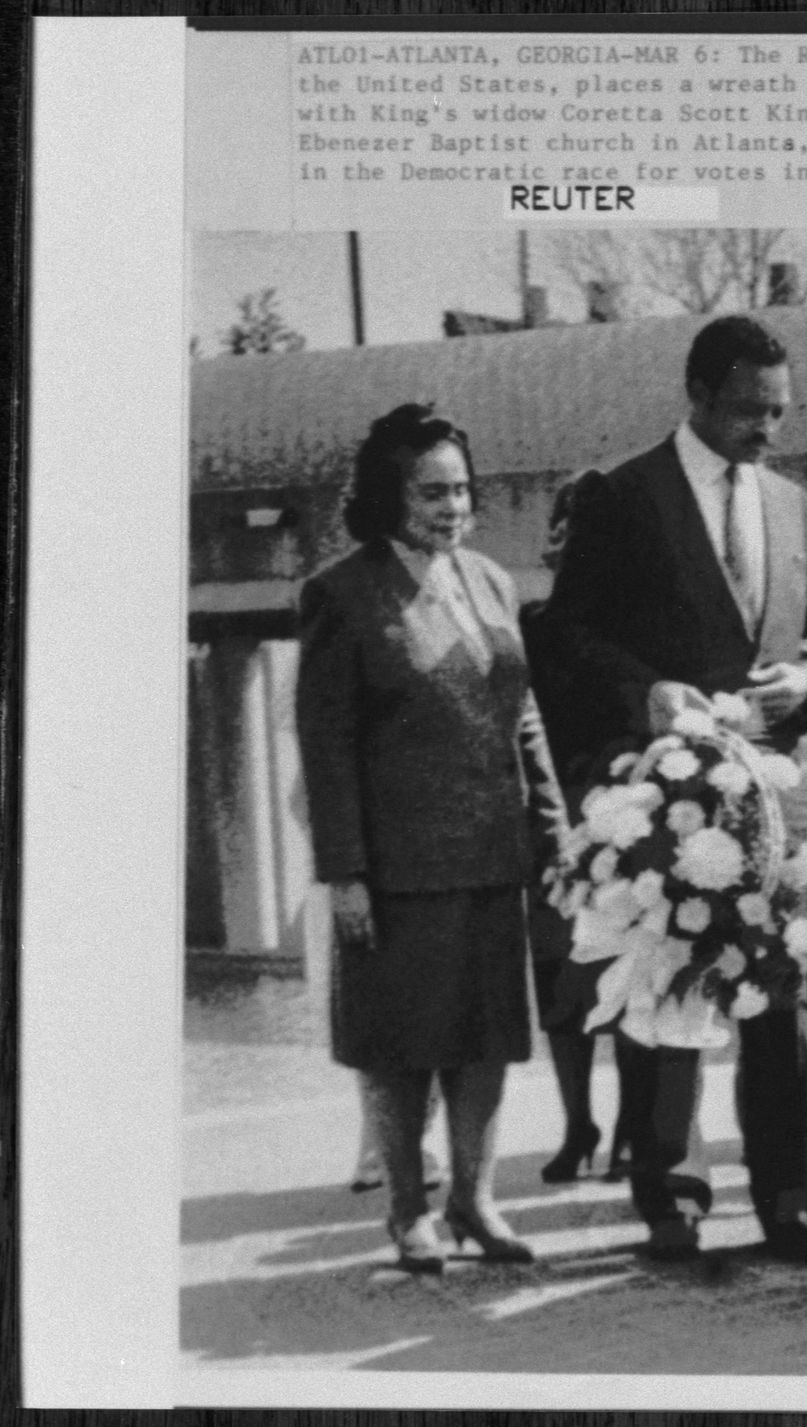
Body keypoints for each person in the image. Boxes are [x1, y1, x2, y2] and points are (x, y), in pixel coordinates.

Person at [543, 314, 807, 1264]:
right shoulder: (624, 496)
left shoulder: (793, 502)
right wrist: (645, 692)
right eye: (753, 411)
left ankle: (788, 1200)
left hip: (777, 797)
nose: (769, 430)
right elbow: (565, 635)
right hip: (673, 792)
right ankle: (669, 1194)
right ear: (700, 396)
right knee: (670, 989)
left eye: (781, 412)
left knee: (779, 998)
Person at [296, 403, 569, 1274]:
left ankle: (476, 1203)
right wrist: (345, 873)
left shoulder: (492, 580)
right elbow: (326, 742)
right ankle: (411, 1213)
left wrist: (554, 827)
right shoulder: (341, 592)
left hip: (494, 856)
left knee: (486, 1040)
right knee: (400, 1045)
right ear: (388, 495)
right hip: (398, 868)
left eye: (462, 489)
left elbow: (521, 711)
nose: (453, 506)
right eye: (432, 491)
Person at [520, 477, 634, 1183]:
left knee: (623, 982)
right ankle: (578, 1123)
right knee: (560, 984)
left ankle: (628, 1123)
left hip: (623, 826)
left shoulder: (634, 627)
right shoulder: (528, 625)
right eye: (564, 527)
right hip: (551, 826)